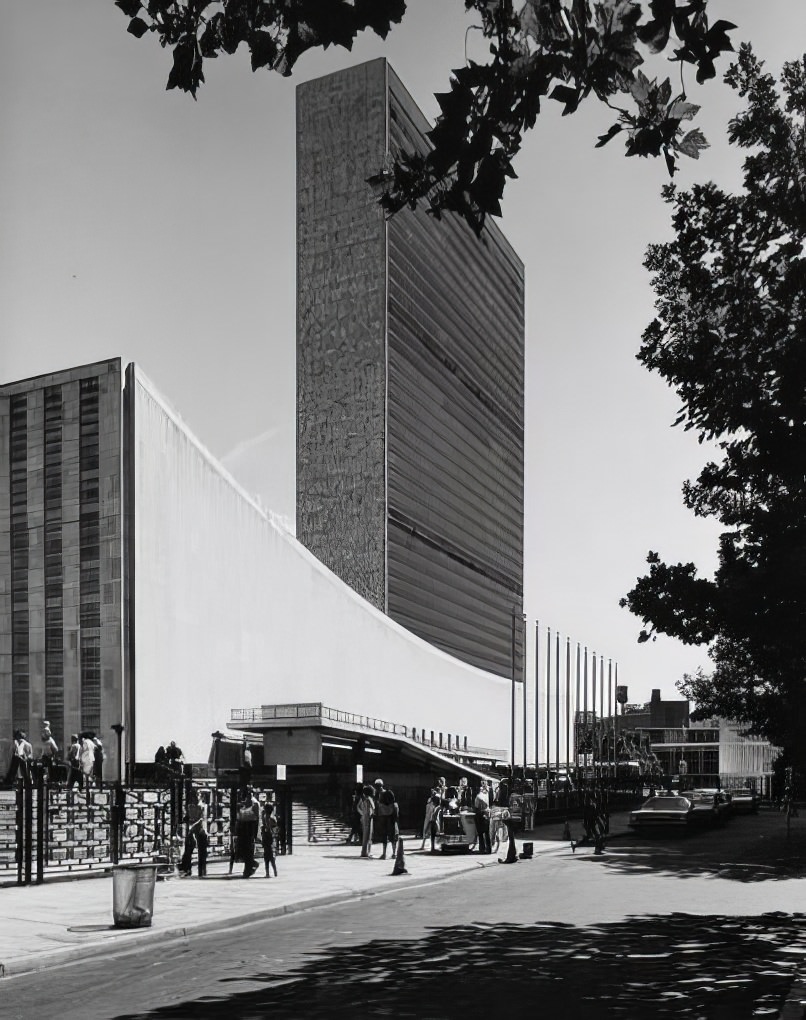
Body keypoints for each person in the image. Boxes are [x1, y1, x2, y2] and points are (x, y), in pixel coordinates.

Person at [179, 788, 208, 877]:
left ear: (200, 797)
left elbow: (202, 818)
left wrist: (192, 825)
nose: (195, 798)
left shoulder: (203, 806)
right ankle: (186, 868)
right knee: (188, 849)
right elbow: (187, 816)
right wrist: (184, 820)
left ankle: (202, 871)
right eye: (193, 796)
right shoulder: (190, 807)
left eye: (196, 796)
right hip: (191, 830)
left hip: (200, 829)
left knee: (202, 852)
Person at [234, 788, 260, 878]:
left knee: (248, 850)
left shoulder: (255, 804)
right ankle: (250, 866)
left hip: (250, 829)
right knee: (243, 850)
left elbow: (256, 819)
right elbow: (239, 818)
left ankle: (248, 869)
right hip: (243, 829)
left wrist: (256, 834)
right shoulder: (243, 805)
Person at [374, 779, 398, 860]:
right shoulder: (387, 793)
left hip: (384, 816)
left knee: (386, 835)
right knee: (390, 835)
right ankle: (392, 853)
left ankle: (386, 854)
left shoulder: (381, 794)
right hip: (388, 816)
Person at [261, 801, 279, 878]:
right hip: (267, 837)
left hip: (269, 838)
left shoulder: (271, 819)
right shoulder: (266, 817)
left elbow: (274, 830)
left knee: (269, 856)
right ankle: (269, 872)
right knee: (267, 856)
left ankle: (273, 871)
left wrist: (269, 830)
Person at [358, 785, 375, 858]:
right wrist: (368, 814)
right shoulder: (368, 799)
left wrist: (362, 814)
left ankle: (364, 851)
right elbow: (373, 808)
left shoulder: (364, 799)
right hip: (368, 818)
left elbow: (358, 807)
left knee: (366, 835)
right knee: (368, 835)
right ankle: (366, 852)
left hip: (365, 817)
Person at [474, 783, 492, 854]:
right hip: (487, 814)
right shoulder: (487, 796)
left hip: (480, 815)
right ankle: (489, 849)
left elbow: (476, 806)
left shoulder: (478, 797)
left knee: (480, 833)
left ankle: (482, 849)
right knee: (487, 833)